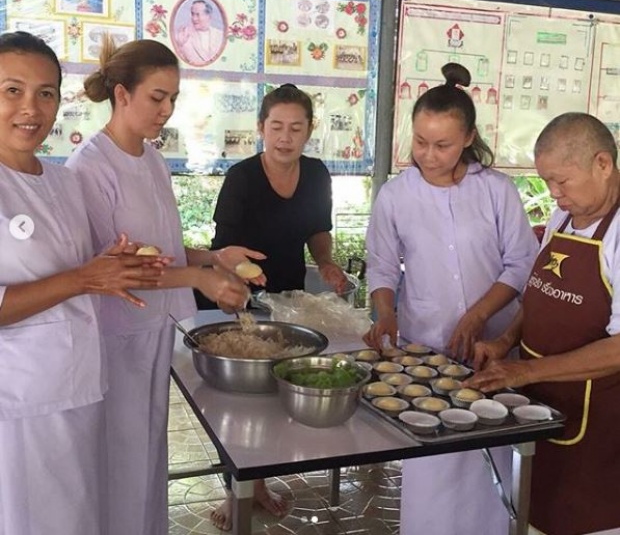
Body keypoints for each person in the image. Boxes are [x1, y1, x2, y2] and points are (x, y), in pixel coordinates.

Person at [65, 36, 261, 535]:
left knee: (149, 455)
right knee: (120, 462)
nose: (167, 110)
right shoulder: (91, 168)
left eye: (174, 98)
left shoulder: (151, 159)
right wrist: (201, 278)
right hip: (115, 338)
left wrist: (213, 257)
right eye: (158, 97)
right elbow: (119, 270)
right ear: (122, 94)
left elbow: (160, 248)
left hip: (154, 332)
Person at [0, 31, 166, 534]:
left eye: (46, 92)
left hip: (82, 384)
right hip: (22, 401)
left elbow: (75, 269)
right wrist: (81, 277)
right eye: (13, 90)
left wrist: (105, 264)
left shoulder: (62, 181)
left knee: (84, 517)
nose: (32, 108)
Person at [363, 63, 538, 535]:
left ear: (467, 138)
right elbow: (381, 265)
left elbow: (522, 263)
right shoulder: (396, 196)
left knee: (490, 457)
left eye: (442, 144)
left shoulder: (496, 190)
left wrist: (480, 315)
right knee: (433, 463)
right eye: (420, 141)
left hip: (492, 347)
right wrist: (385, 312)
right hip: (427, 346)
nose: (429, 154)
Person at [466, 112, 620, 535]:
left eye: (562, 182)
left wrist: (526, 369)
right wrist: (505, 342)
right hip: (544, 409)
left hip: (600, 424)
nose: (553, 194)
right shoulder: (564, 218)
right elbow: (540, 294)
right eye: (547, 182)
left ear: (602, 164)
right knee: (538, 515)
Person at [207, 83, 349, 530]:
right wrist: (243, 273)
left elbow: (318, 229)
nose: (285, 137)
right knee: (236, 399)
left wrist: (326, 263)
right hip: (238, 299)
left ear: (309, 131)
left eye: (296, 127)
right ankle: (236, 491)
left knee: (275, 394)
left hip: (288, 297)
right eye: (276, 127)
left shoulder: (318, 173)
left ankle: (260, 483)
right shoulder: (242, 177)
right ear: (261, 129)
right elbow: (222, 246)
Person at [175, 0, 225, 66]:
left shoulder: (220, 35)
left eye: (197, 15)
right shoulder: (183, 34)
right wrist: (180, 46)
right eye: (192, 14)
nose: (194, 18)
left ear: (208, 16)